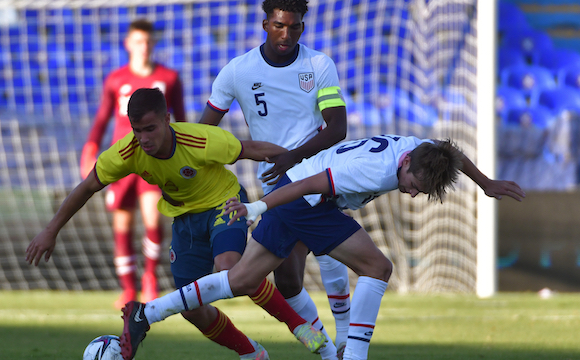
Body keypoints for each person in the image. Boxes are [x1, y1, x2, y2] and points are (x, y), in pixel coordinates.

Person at [118, 135, 526, 360]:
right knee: (378, 268)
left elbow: (450, 150)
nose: (413, 194)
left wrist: (485, 183)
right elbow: (312, 186)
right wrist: (255, 206)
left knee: (243, 279)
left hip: (299, 195)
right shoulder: (370, 169)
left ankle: (147, 312)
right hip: (305, 199)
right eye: (413, 186)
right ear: (404, 166)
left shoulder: (423, 150)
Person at [26, 88, 327, 360]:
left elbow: (255, 150)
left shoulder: (199, 139)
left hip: (224, 203)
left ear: (167, 119)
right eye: (137, 130)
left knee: (230, 269)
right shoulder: (127, 152)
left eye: (150, 129)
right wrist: (51, 230)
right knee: (192, 309)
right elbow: (88, 185)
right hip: (184, 220)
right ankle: (252, 353)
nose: (143, 138)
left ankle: (299, 326)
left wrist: (308, 171)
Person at [199, 1, 350, 357]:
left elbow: (338, 127)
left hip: (316, 173)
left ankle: (343, 341)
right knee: (286, 281)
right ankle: (329, 348)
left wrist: (294, 156)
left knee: (329, 250)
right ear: (266, 24)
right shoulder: (238, 71)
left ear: (302, 26)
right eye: (280, 26)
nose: (287, 34)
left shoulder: (318, 64)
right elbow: (204, 133)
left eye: (295, 27)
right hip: (274, 186)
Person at [80, 19, 186, 308]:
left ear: (154, 44)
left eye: (148, 41)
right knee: (122, 224)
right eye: (138, 41)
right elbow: (102, 118)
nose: (144, 47)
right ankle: (128, 289)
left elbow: (182, 119)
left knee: (153, 220)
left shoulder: (169, 78)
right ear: (128, 44)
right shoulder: (116, 79)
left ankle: (149, 278)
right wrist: (90, 148)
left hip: (155, 160)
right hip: (122, 160)